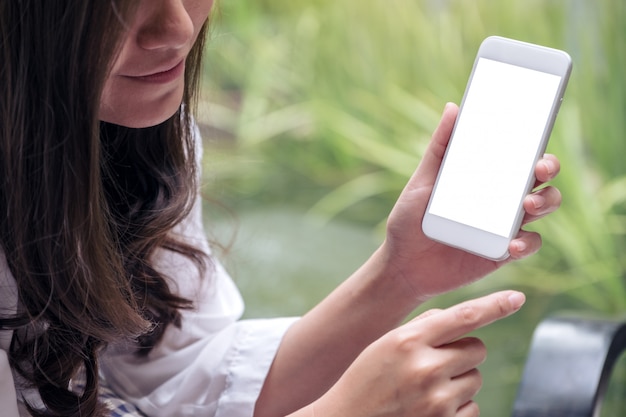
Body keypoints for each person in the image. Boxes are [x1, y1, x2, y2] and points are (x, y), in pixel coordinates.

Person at [0, 1, 562, 417]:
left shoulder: (136, 140)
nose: (176, 30)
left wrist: (400, 274)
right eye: (116, 6)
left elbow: (176, 384)